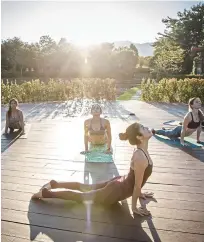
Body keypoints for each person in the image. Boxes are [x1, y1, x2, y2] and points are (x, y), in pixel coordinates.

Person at [32, 122, 154, 216]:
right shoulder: (140, 156)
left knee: (86, 188)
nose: (148, 128)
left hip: (119, 183)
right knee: (80, 197)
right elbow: (136, 185)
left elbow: (137, 179)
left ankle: (55, 184)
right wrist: (134, 209)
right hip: (114, 191)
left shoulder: (142, 151)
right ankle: (46, 193)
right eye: (144, 128)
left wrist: (140, 193)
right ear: (140, 137)